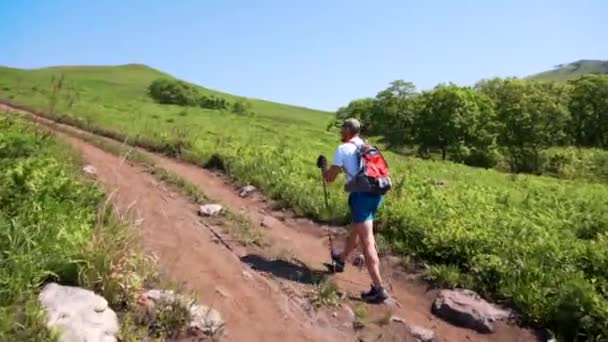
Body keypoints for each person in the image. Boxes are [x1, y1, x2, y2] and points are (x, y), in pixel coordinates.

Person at [317, 118, 389, 303]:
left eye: (342, 129)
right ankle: (341, 260)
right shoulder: (367, 147)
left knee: (367, 241)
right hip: (376, 194)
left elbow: (330, 178)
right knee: (357, 228)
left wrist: (324, 169)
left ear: (349, 130)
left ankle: (379, 288)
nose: (341, 132)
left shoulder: (343, 149)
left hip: (360, 197)